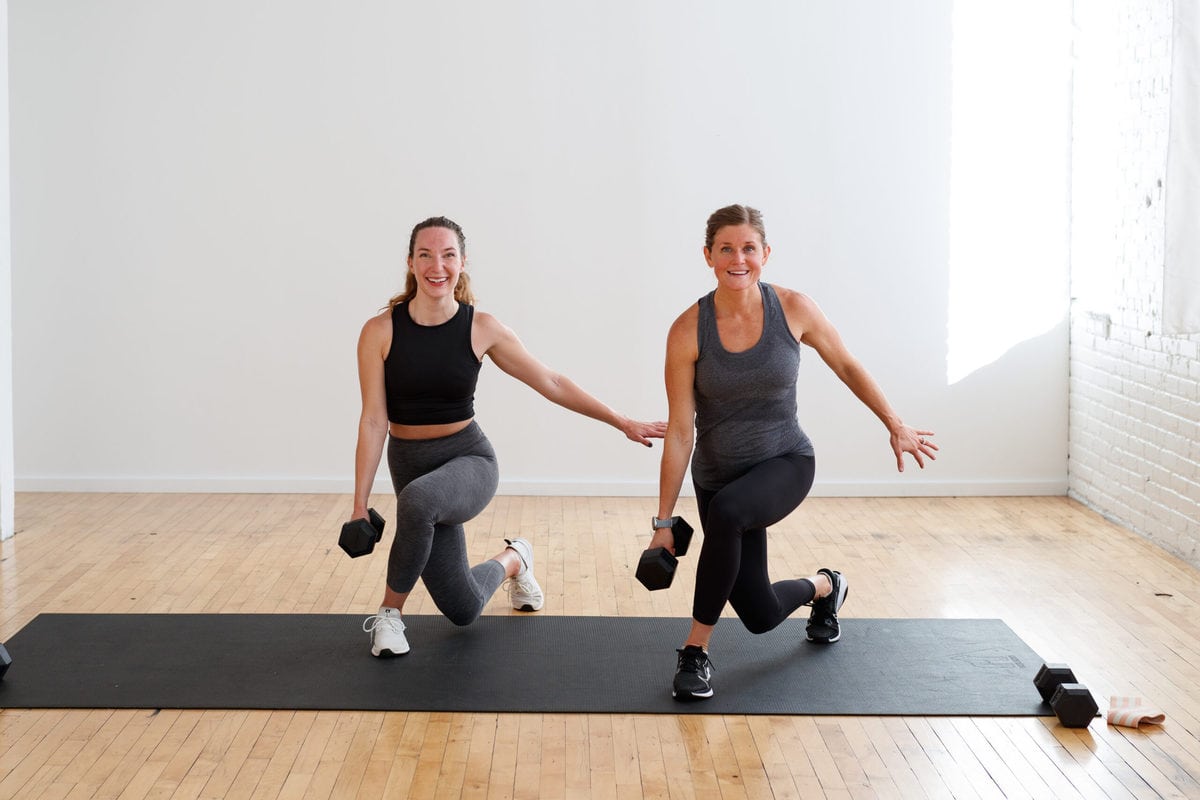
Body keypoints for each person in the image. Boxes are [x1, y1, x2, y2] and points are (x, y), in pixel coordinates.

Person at [653, 204, 938, 700]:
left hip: (784, 462)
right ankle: (826, 586)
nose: (737, 258)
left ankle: (695, 653)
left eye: (748, 248)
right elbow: (680, 431)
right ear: (708, 256)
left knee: (728, 513)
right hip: (719, 475)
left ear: (765, 253)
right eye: (726, 249)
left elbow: (847, 365)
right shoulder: (687, 330)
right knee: (760, 614)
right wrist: (661, 525)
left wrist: (895, 423)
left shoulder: (794, 309)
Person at [353, 215, 666, 657]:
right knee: (461, 608)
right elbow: (372, 421)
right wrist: (357, 504)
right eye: (425, 255)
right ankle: (515, 559)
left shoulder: (482, 328)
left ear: (462, 263)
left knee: (419, 502)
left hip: (468, 461)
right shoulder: (379, 332)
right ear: (410, 262)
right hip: (410, 466)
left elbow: (551, 381)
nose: (436, 266)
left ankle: (388, 616)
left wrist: (622, 421)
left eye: (448, 255)